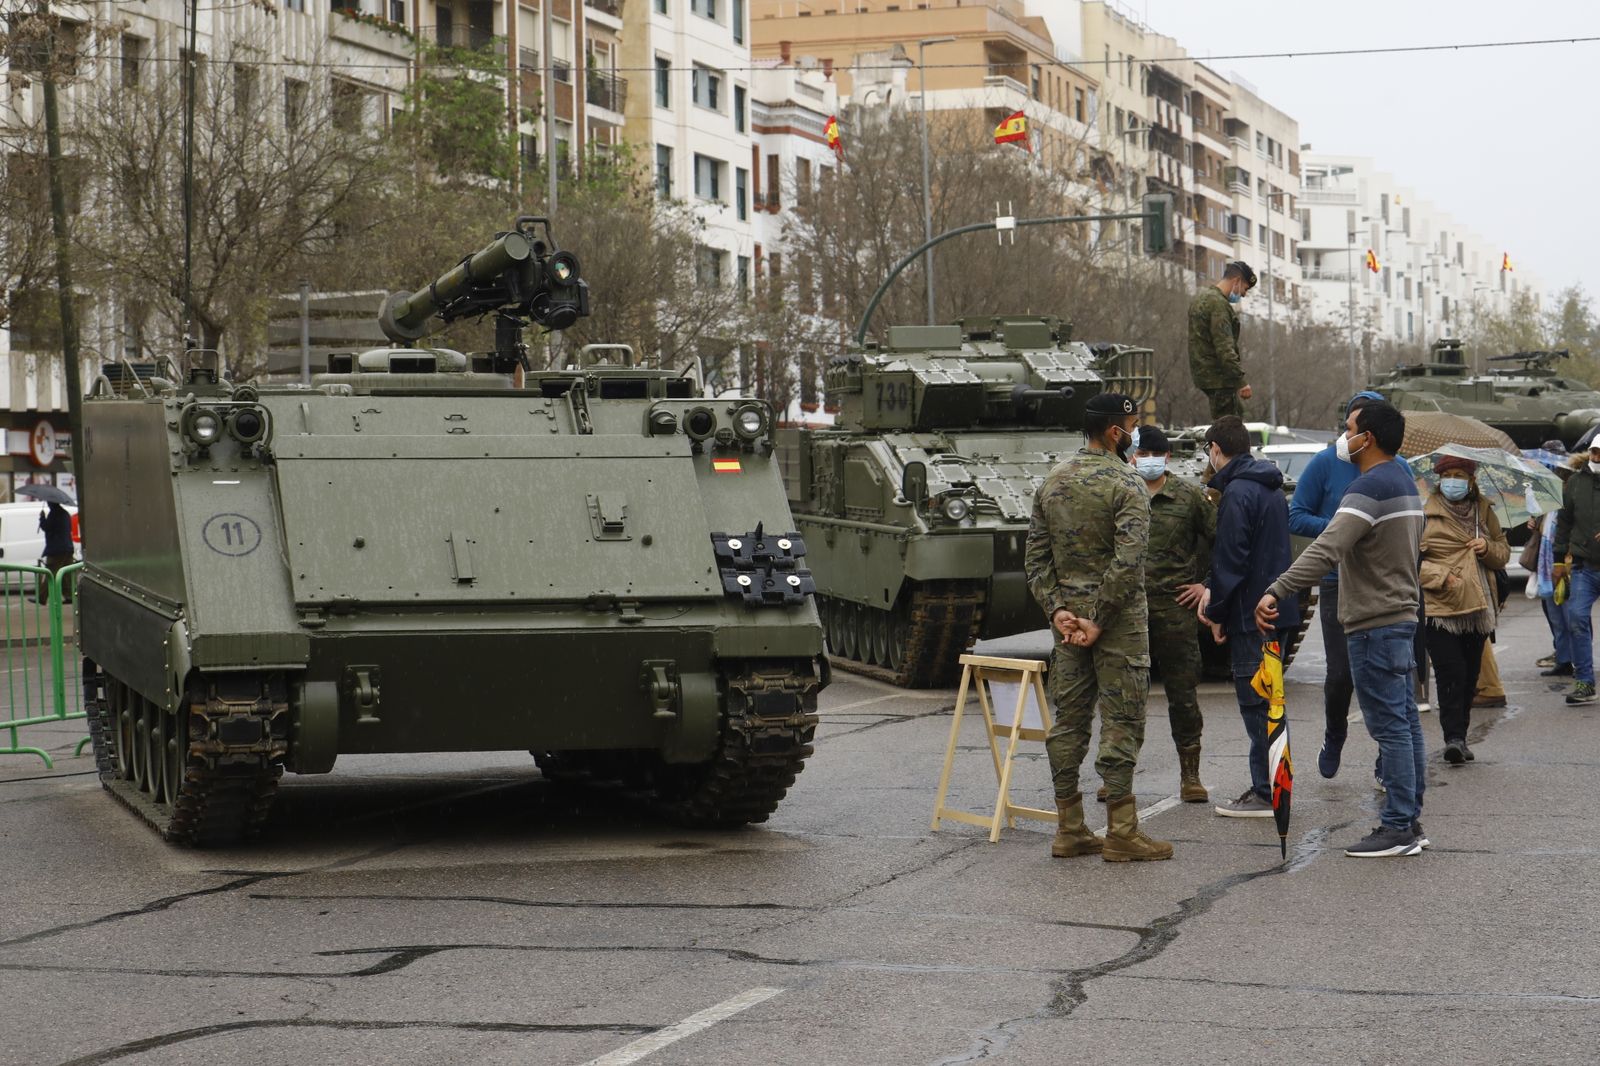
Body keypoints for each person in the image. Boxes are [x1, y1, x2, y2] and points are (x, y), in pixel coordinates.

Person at [1256, 400, 1427, 858]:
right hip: (1400, 618)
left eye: (1349, 428)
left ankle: (1397, 827)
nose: (1343, 436)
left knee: (1390, 728)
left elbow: (1326, 548)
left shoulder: (1368, 487)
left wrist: (1276, 590)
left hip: (1374, 622)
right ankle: (1410, 819)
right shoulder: (1403, 483)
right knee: (1405, 722)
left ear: (1366, 438)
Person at [1024, 392, 1172, 863]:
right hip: (1118, 625)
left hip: (1068, 626)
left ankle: (1069, 829)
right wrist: (1099, 619)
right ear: (1114, 432)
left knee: (1067, 722)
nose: (1134, 433)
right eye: (1131, 425)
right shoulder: (1127, 485)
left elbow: (1035, 558)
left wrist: (1057, 612)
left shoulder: (1053, 480)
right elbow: (1129, 562)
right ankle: (1122, 834)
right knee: (1122, 719)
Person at [1195, 415, 1300, 819]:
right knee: (1271, 700)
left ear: (1216, 450)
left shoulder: (1238, 492)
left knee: (1257, 704)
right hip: (1277, 607)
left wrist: (1217, 610)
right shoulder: (1268, 486)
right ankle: (1277, 786)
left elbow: (1231, 559)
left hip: (1249, 615)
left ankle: (1266, 790)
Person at [1288, 390, 1385, 779]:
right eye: (1348, 425)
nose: (1349, 434)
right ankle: (1335, 734)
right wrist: (1339, 530)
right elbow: (1296, 515)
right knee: (1341, 674)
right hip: (1337, 579)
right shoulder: (1327, 463)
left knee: (1381, 674)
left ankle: (1385, 759)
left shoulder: (1393, 467)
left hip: (1380, 584)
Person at [1123, 424, 1215, 803]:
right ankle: (1118, 778)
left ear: (1167, 457)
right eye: (1141, 455)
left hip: (1175, 609)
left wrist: (1207, 584)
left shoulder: (1189, 496)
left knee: (1182, 694)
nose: (1146, 461)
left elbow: (1221, 540)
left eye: (1153, 455)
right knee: (1124, 696)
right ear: (1132, 457)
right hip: (1127, 610)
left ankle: (1190, 776)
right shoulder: (1121, 492)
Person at [1417, 456, 1509, 765]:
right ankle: (1452, 739)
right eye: (1448, 475)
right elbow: (1410, 560)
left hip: (1478, 606)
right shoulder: (1424, 512)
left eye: (1460, 475)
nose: (1453, 480)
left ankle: (1461, 737)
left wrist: (1488, 549)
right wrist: (1444, 577)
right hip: (1440, 606)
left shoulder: (1484, 510)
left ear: (1471, 480)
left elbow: (1502, 552)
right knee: (1450, 671)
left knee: (1470, 675)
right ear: (1438, 478)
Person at [1552, 438, 1600, 705]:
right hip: (1584, 567)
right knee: (1577, 619)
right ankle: (1584, 681)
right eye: (1595, 452)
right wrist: (1558, 562)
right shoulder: (1575, 484)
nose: (1597, 458)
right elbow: (1564, 522)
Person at [1187, 260, 1257, 421]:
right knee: (1229, 429)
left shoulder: (1201, 298)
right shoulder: (1219, 305)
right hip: (1220, 379)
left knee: (1231, 421)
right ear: (1237, 281)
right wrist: (1241, 381)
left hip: (1204, 376)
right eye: (1245, 289)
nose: (1244, 294)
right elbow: (1224, 348)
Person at [37, 501, 74, 605]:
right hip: (68, 547)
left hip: (56, 550)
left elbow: (47, 528)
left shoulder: (54, 514)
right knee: (66, 574)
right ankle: (69, 596)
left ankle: (41, 598)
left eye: (49, 503)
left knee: (50, 573)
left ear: (51, 504)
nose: (48, 504)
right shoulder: (65, 513)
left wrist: (42, 518)